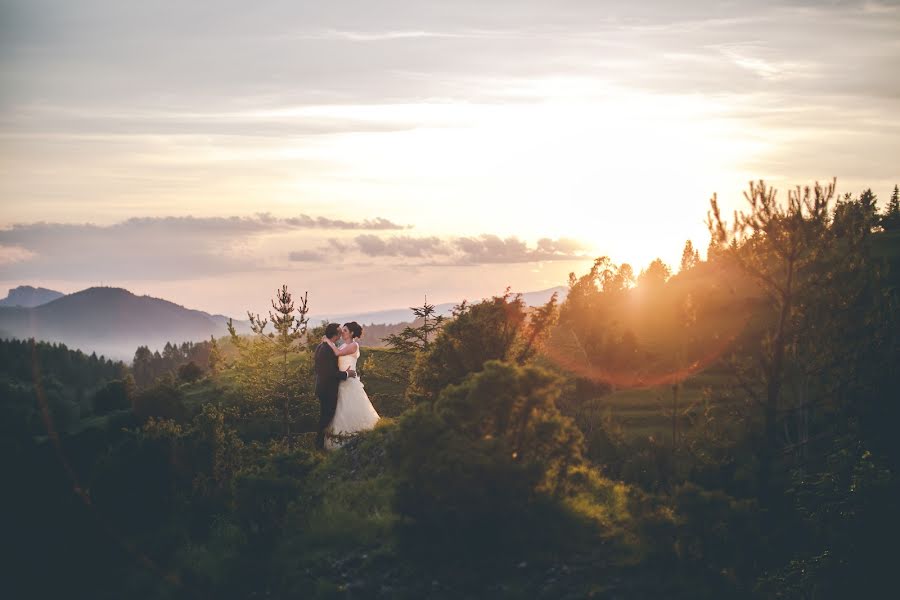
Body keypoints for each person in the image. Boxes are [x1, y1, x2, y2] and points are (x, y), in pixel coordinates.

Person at [322, 321, 380, 450]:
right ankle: (340, 439)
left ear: (352, 333)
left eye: (345, 330)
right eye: (342, 330)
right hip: (341, 380)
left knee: (351, 407)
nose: (342, 332)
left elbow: (336, 353)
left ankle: (356, 436)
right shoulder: (342, 345)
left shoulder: (354, 345)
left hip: (349, 381)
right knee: (340, 409)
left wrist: (328, 341)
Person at [314, 323, 356, 450]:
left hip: (324, 387)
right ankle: (319, 444)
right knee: (326, 417)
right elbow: (330, 372)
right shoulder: (327, 349)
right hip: (327, 389)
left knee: (326, 416)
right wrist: (346, 374)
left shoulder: (323, 346)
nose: (341, 333)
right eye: (340, 331)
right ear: (335, 335)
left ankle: (323, 443)